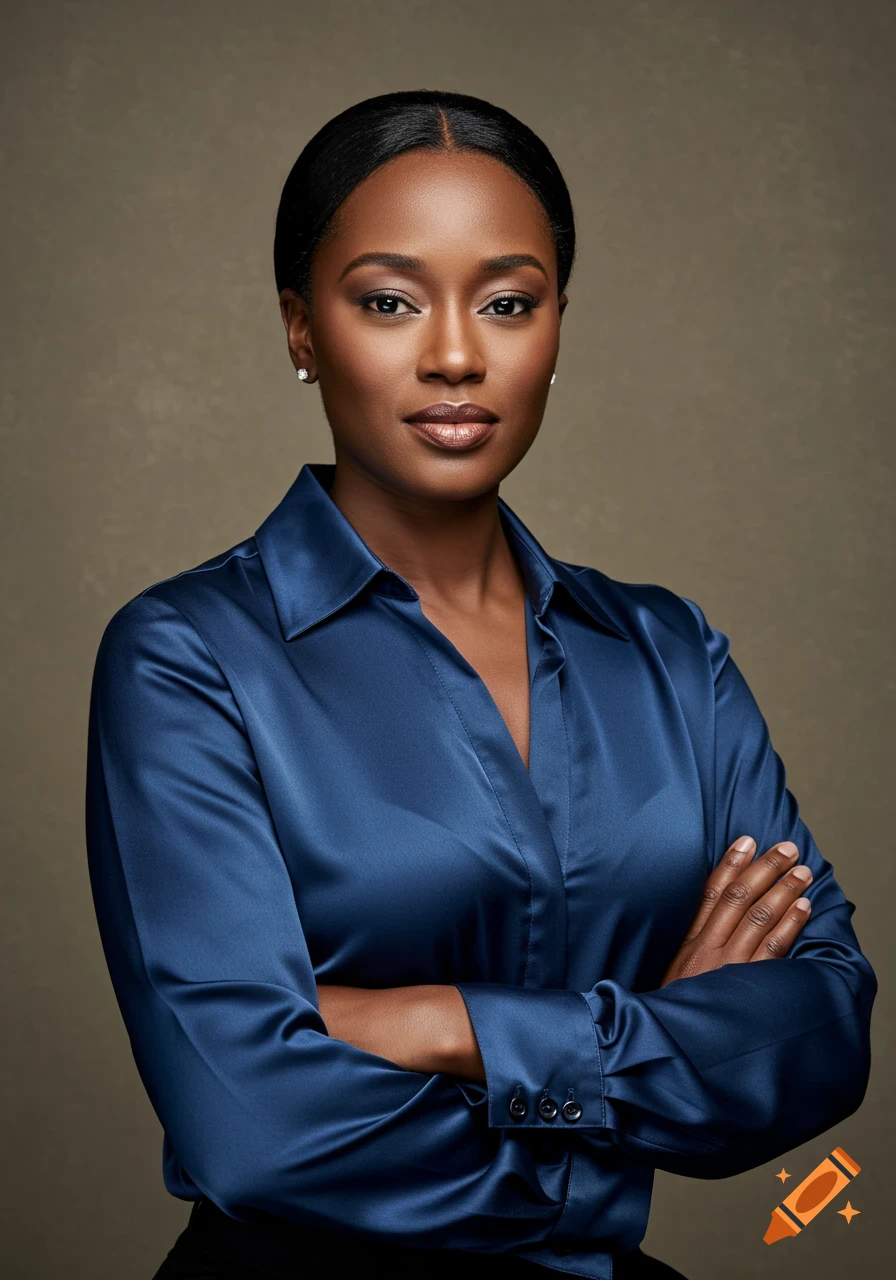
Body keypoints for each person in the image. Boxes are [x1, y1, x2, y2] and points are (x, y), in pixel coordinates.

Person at [85, 90, 877, 1280]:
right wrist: (638, 1082)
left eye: (508, 301)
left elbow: (819, 1029)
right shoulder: (189, 656)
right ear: (301, 328)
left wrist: (430, 1021)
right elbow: (252, 1126)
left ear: (558, 322)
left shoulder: (669, 654)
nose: (456, 353)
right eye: (388, 301)